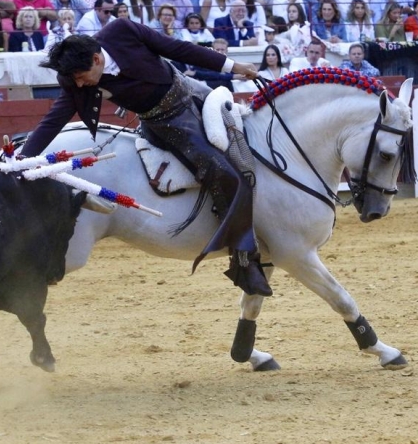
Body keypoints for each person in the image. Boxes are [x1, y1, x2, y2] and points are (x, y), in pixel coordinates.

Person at [21, 20, 270, 296]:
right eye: (75, 78)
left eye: (81, 75)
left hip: (191, 89)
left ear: (97, 59)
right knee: (223, 173)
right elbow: (54, 120)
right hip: (168, 124)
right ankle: (244, 260)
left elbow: (178, 48)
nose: (79, 83)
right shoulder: (73, 78)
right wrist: (22, 158)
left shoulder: (122, 31)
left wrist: (233, 67)